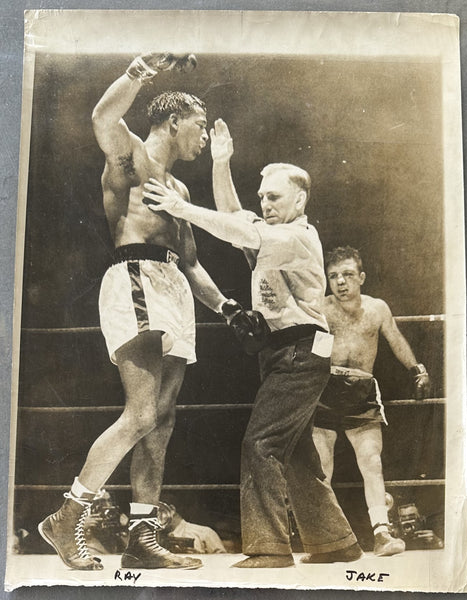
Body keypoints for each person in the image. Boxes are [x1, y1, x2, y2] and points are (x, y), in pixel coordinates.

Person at [38, 53, 255, 571]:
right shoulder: (130, 156)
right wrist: (137, 71)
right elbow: (101, 118)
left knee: (161, 420)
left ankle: (141, 532)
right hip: (134, 277)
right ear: (174, 120)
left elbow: (192, 264)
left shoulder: (179, 191)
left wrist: (227, 307)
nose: (204, 138)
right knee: (139, 414)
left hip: (175, 290)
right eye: (200, 126)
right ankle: (69, 514)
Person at [142, 119, 362, 568]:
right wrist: (221, 165)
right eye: (262, 196)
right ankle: (336, 542)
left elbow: (240, 230)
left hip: (302, 352)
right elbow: (238, 218)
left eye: (274, 196)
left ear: (299, 200)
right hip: (284, 353)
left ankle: (269, 549)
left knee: (259, 444)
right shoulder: (272, 234)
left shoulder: (297, 237)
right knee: (297, 454)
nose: (264, 203)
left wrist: (182, 209)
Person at [312, 246, 431, 556]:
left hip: (361, 390)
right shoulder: (321, 309)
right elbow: (308, 349)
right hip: (325, 387)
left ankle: (381, 532)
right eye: (334, 276)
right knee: (321, 466)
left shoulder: (377, 309)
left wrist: (418, 371)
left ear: (361, 277)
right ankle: (326, 539)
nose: (340, 282)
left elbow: (395, 339)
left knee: (371, 461)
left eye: (348, 275)